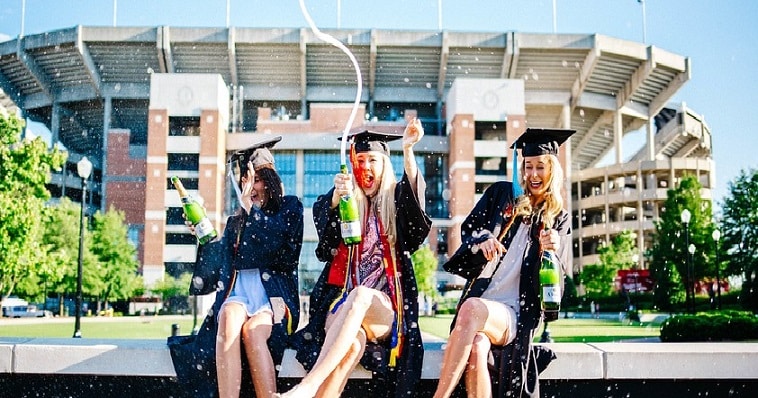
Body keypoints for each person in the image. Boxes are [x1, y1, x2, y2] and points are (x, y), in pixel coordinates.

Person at [282, 119, 432, 398]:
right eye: (360, 160)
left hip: (384, 310)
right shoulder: (349, 204)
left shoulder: (395, 201)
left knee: (362, 295)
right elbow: (325, 244)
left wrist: (409, 151)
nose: (366, 167)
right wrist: (336, 200)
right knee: (351, 346)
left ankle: (307, 387)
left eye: (372, 160)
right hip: (342, 304)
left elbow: (416, 220)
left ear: (385, 164)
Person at [434, 128, 575, 398]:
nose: (533, 174)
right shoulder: (501, 195)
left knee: (471, 308)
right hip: (481, 304)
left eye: (541, 167)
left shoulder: (559, 219)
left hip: (515, 313)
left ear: (553, 170)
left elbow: (556, 289)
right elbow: (471, 229)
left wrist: (553, 251)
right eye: (528, 166)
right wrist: (484, 239)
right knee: (476, 349)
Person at [169, 135, 304, 398]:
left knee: (253, 333)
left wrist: (250, 210)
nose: (249, 186)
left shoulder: (290, 208)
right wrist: (202, 235)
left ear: (271, 181)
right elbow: (216, 271)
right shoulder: (235, 223)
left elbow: (279, 251)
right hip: (238, 295)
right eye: (245, 179)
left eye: (256, 178)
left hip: (274, 298)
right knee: (229, 318)